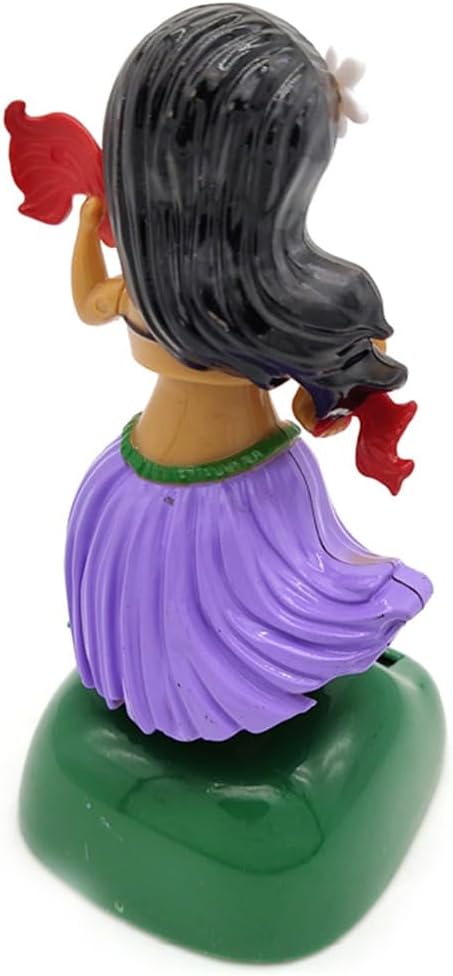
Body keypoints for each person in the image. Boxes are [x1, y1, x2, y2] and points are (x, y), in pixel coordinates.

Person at [65, 4, 431, 741]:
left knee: (225, 606)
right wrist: (86, 224)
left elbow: (90, 302)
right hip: (181, 481)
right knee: (158, 604)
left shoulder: (234, 304)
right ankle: (173, 701)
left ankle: (222, 701)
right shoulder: (191, 298)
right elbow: (91, 301)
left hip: (224, 486)